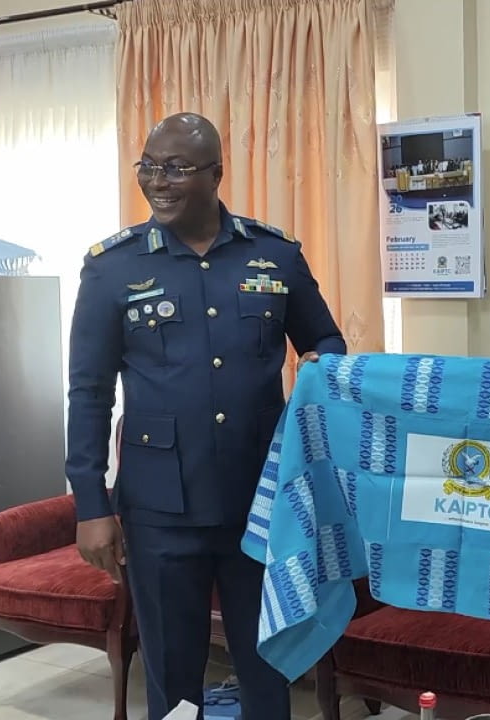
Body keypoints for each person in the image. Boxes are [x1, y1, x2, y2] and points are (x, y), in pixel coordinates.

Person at [65, 112, 347, 720]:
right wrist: (91, 505)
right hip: (161, 507)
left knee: (267, 667)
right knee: (173, 677)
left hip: (261, 500)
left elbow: (326, 341)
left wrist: (319, 372)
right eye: (148, 166)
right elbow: (88, 393)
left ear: (216, 174)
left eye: (176, 168)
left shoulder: (274, 255)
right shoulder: (113, 268)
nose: (157, 181)